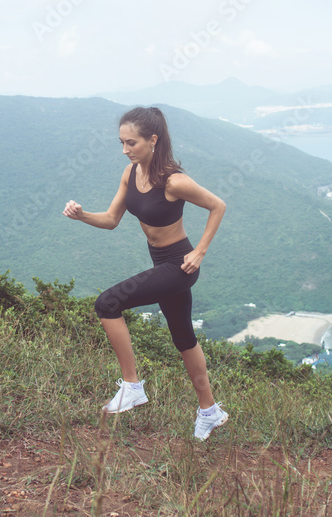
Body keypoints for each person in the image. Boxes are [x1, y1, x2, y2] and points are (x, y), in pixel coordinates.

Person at [62, 106, 229, 440]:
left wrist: (200, 251)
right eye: (122, 143)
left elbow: (217, 205)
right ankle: (210, 412)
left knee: (108, 304)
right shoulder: (130, 174)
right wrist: (81, 215)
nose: (125, 150)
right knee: (184, 338)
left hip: (179, 265)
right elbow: (111, 220)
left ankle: (132, 386)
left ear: (153, 140)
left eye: (132, 143)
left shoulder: (174, 181)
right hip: (160, 262)